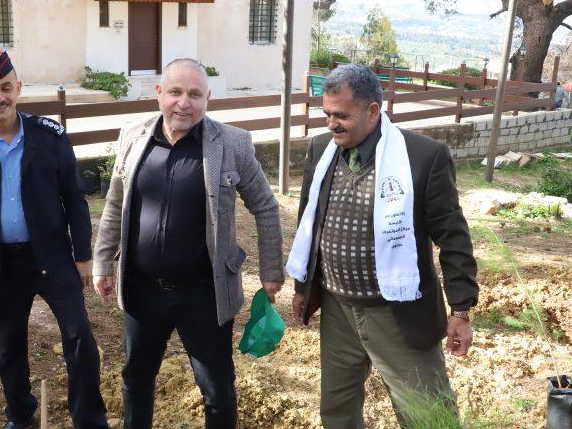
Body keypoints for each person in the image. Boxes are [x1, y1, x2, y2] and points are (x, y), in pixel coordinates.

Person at [92, 58, 284, 429]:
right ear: (159, 93)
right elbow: (115, 203)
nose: (184, 103)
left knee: (217, 390)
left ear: (208, 98)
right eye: (175, 92)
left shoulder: (232, 144)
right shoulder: (133, 136)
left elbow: (265, 205)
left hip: (204, 294)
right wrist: (103, 262)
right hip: (142, 290)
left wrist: (272, 270)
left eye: (195, 94)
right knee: (136, 379)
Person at [287, 64, 478, 429]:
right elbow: (309, 221)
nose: (331, 124)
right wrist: (302, 286)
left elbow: (453, 236)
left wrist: (461, 308)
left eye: (342, 116)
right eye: (327, 114)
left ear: (373, 111)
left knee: (427, 416)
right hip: (338, 309)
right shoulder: (321, 150)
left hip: (398, 314)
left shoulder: (422, 157)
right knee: (337, 410)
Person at [0, 50, 107, 429]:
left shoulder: (50, 137)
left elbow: (74, 197)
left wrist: (83, 255)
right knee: (9, 346)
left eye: (6, 87)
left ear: (18, 88)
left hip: (52, 257)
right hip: (1, 265)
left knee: (80, 338)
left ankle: (88, 419)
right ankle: (20, 417)